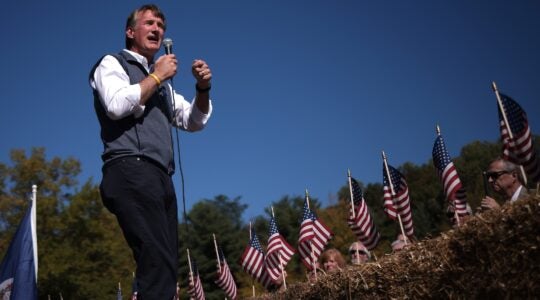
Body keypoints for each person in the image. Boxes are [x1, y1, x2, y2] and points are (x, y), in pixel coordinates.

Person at [89, 4, 213, 299]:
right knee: (155, 259)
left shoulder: (162, 83)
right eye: (149, 23)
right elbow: (117, 105)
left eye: (161, 25)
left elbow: (193, 120)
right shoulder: (112, 63)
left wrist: (203, 88)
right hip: (130, 167)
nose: (157, 29)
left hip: (160, 176)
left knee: (166, 266)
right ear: (131, 32)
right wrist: (157, 77)